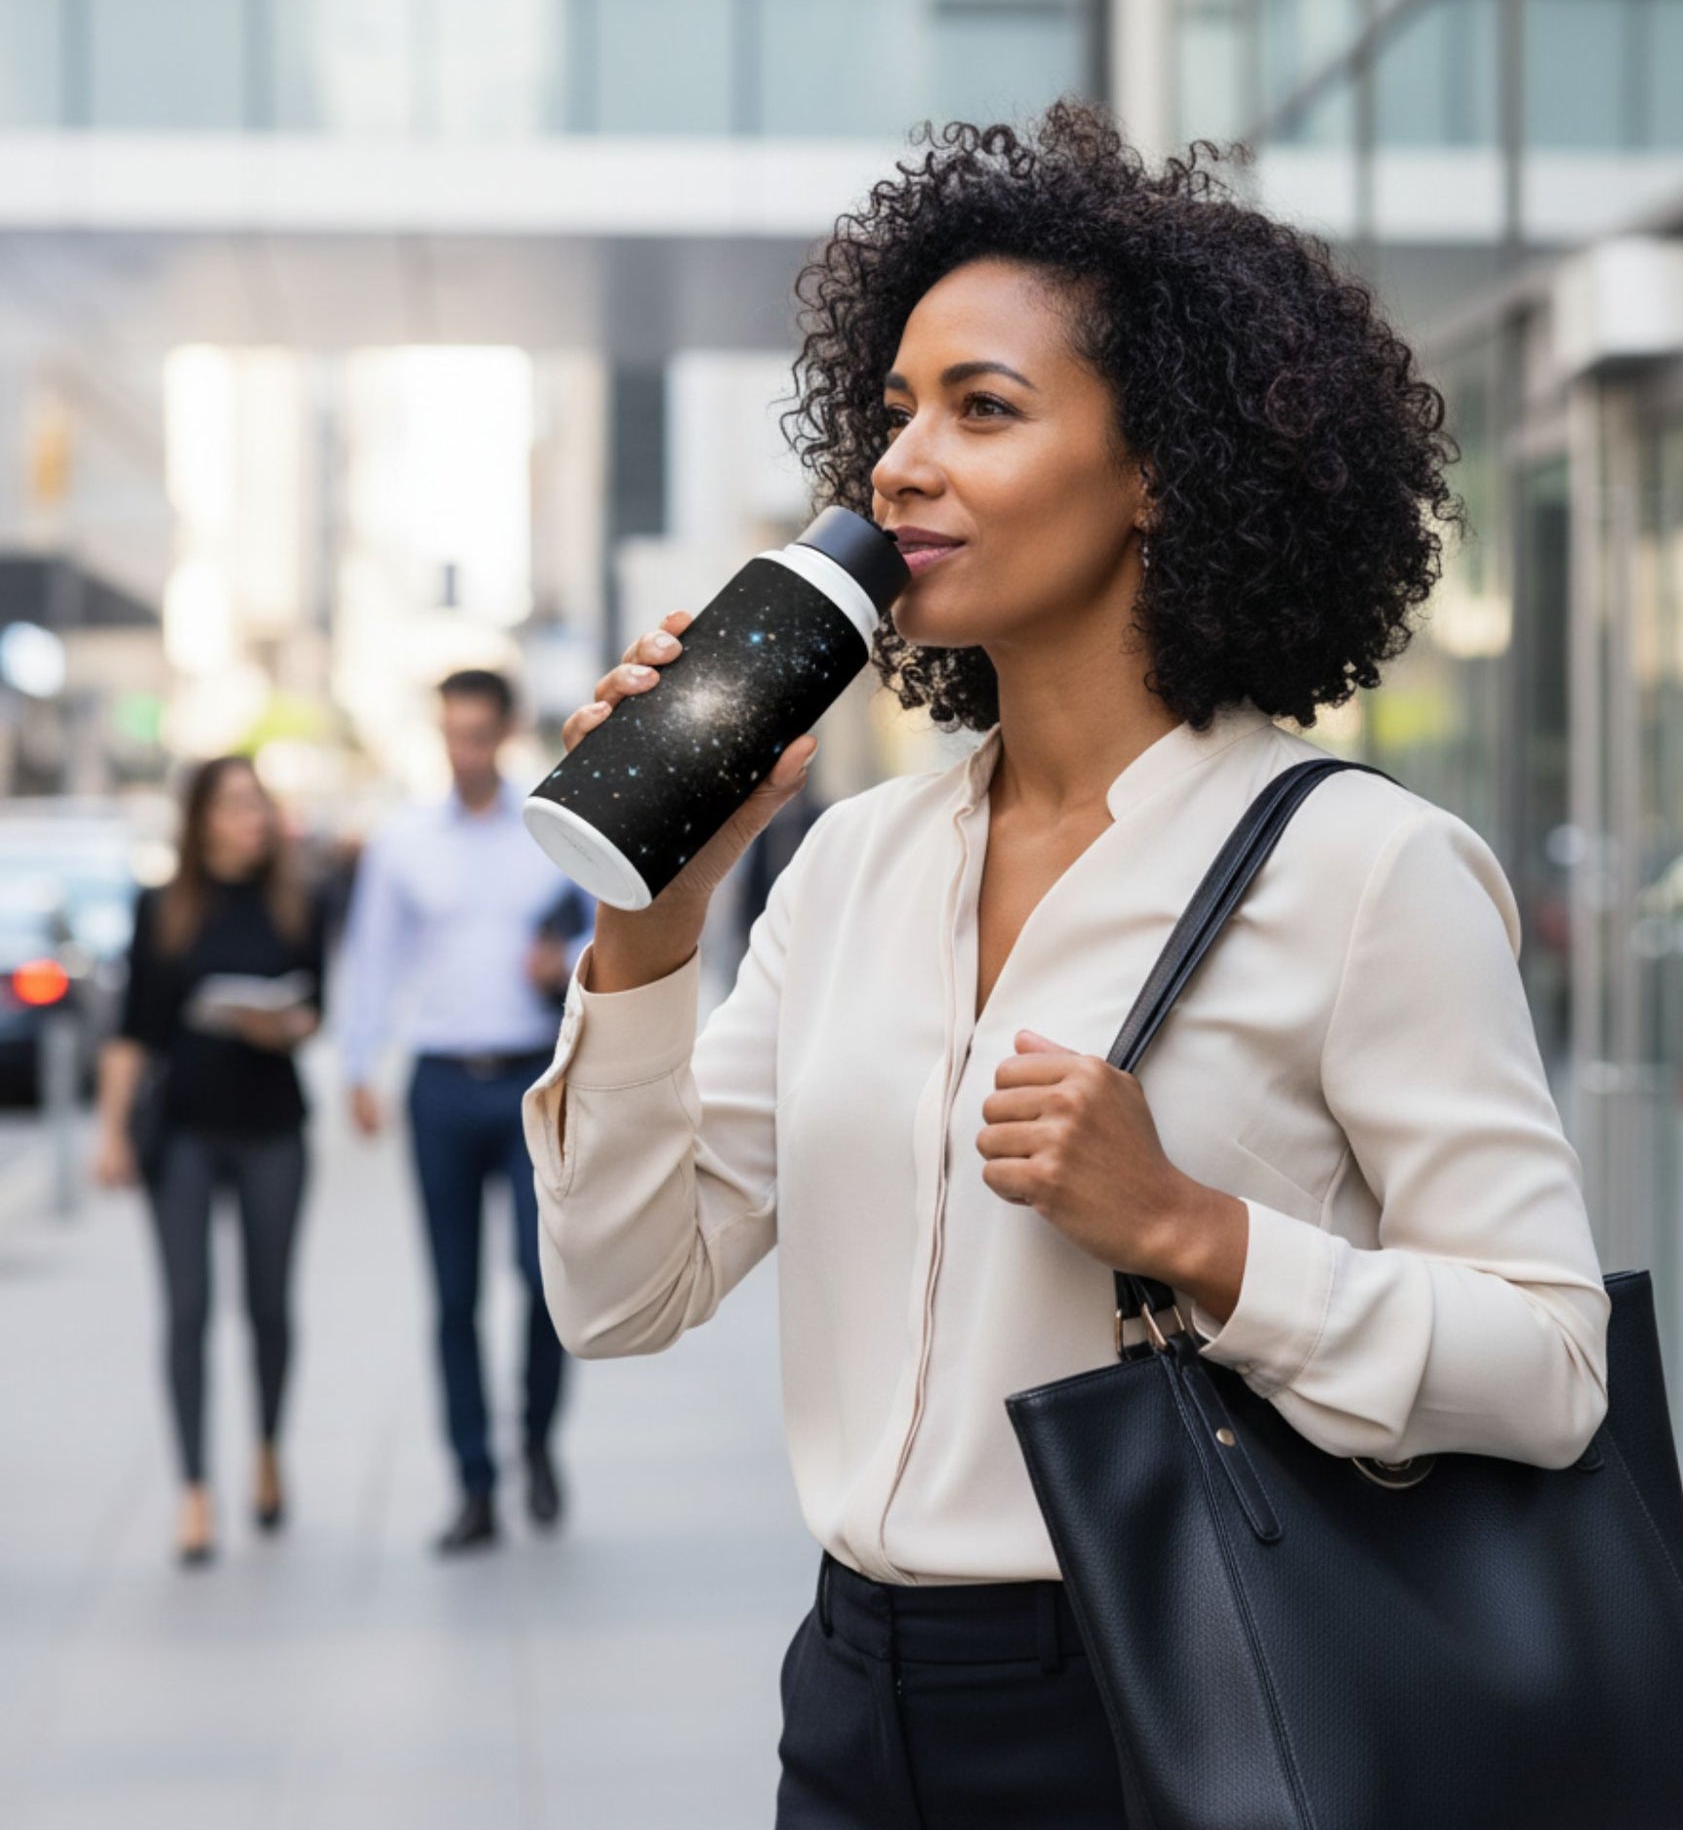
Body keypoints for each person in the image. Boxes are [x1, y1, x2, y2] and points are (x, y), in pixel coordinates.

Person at [521, 102, 1612, 1826]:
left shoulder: (1360, 870)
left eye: (984, 409)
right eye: (892, 413)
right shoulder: (851, 866)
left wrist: (1193, 1232)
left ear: (1162, 468)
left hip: (1170, 1702)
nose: (897, 466)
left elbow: (1551, 1371)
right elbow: (617, 1291)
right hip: (850, 1707)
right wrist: (651, 927)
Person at [338, 668, 593, 1555]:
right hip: (441, 1083)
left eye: (482, 734)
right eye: (454, 734)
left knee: (541, 1283)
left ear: (507, 733)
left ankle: (537, 1440)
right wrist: (357, 1066)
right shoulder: (404, 839)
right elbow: (372, 956)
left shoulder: (550, 827)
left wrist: (564, 968)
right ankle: (475, 1482)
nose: (467, 751)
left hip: (532, 1078)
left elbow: (610, 937)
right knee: (452, 1297)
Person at [94, 755, 327, 1567]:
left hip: (274, 1128)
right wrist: (112, 1131)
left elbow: (314, 1010)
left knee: (268, 1306)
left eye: (258, 803)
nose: (251, 818)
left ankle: (266, 1446)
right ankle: (194, 1489)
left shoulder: (297, 902)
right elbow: (133, 1029)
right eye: (234, 805)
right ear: (199, 818)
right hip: (184, 1130)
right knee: (187, 1309)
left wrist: (283, 1026)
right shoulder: (162, 908)